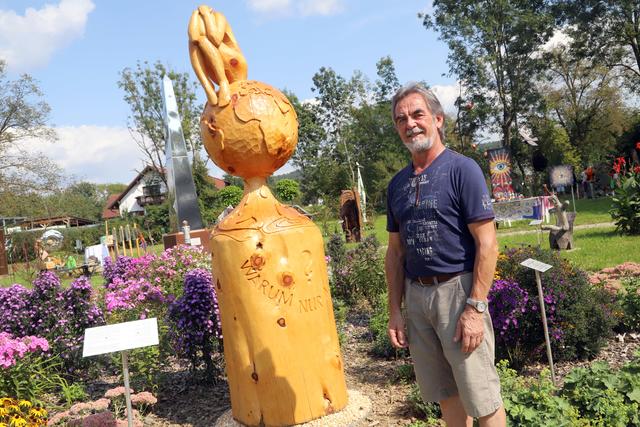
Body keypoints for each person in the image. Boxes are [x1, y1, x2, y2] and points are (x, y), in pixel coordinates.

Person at [385, 82, 506, 427]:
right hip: (418, 295)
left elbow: (487, 244)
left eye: (418, 114)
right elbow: (395, 253)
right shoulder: (397, 185)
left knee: (481, 397)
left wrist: (475, 307)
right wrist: (395, 310)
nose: (410, 123)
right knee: (446, 394)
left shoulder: (461, 170)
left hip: (458, 293)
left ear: (438, 119)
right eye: (401, 119)